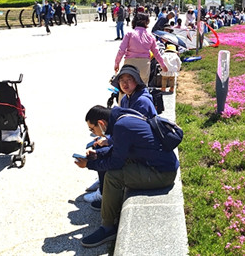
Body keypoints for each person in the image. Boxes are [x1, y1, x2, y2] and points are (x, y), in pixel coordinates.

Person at [76, 105, 178, 248]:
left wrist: (88, 165)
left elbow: (116, 163)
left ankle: (108, 228)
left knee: (113, 177)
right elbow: (120, 150)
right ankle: (109, 203)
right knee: (112, 167)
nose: (94, 133)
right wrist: (98, 155)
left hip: (162, 174)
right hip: (158, 165)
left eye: (92, 129)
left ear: (101, 123)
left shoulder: (121, 126)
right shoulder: (122, 118)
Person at [83, 64, 157, 205]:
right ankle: (102, 180)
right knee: (94, 144)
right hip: (128, 139)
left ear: (137, 81)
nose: (124, 83)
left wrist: (110, 140)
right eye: (121, 80)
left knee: (103, 150)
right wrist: (107, 138)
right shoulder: (125, 98)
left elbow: (134, 132)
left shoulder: (142, 101)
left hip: (140, 146)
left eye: (129, 79)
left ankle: (104, 192)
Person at [114, 12, 168, 85]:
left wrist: (117, 63)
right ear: (147, 22)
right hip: (144, 64)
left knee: (127, 87)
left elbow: (121, 50)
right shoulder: (150, 37)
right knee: (142, 88)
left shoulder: (129, 34)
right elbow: (156, 53)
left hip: (130, 64)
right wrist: (163, 65)